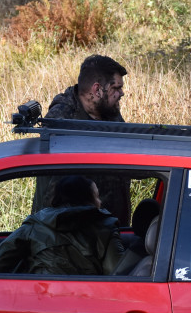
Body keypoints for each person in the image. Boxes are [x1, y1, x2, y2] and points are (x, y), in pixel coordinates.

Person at [36, 55, 132, 225]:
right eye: (116, 88)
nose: (121, 93)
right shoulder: (62, 120)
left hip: (110, 225)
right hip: (72, 233)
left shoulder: (110, 112)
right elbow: (59, 192)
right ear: (97, 90)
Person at [0, 175, 124, 275]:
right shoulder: (106, 227)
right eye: (97, 196)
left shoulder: (36, 224)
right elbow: (117, 272)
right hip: (88, 301)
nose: (100, 201)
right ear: (88, 199)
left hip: (42, 297)